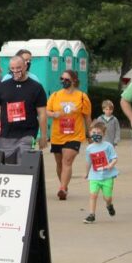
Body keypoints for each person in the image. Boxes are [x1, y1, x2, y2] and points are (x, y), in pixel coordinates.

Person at [0, 55, 48, 162]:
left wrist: (43, 135)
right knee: (8, 166)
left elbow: (42, 113)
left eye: (18, 68)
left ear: (25, 66)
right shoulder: (3, 86)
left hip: (28, 134)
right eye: (12, 68)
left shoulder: (36, 87)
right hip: (6, 134)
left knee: (24, 163)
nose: (15, 71)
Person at [46, 69, 92, 200]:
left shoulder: (82, 97)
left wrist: (90, 134)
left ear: (74, 80)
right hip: (57, 135)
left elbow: (87, 117)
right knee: (59, 163)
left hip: (74, 135)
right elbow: (46, 111)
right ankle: (64, 186)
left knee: (67, 161)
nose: (63, 81)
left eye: (66, 79)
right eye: (62, 79)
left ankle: (62, 188)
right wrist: (54, 114)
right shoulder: (55, 95)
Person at [84, 120, 119, 224]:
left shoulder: (108, 146)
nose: (96, 135)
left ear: (104, 134)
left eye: (99, 133)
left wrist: (111, 165)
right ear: (90, 133)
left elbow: (115, 158)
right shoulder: (89, 148)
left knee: (107, 198)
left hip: (107, 176)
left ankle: (109, 205)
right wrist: (86, 173)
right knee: (93, 195)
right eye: (94, 133)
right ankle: (91, 215)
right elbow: (88, 162)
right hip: (94, 176)